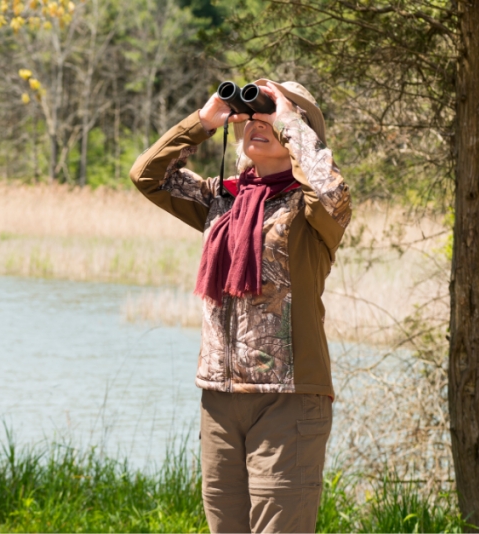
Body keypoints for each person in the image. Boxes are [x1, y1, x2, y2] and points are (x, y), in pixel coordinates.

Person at [129, 79, 351, 533]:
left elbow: (331, 191)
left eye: (270, 113)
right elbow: (147, 176)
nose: (257, 121)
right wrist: (204, 121)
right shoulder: (222, 200)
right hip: (220, 400)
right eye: (250, 113)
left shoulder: (313, 212)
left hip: (288, 400)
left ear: (298, 133)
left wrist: (286, 116)